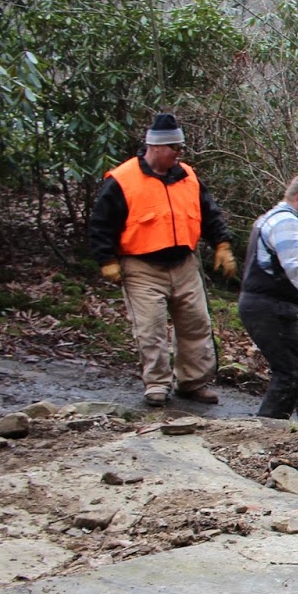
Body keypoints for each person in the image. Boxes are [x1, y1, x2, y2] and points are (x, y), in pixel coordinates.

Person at [88, 112, 235, 408]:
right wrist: (107, 260)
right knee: (151, 328)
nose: (179, 154)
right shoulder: (123, 180)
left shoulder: (188, 176)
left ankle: (193, 382)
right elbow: (101, 224)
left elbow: (209, 213)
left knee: (196, 324)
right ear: (155, 146)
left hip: (184, 264)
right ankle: (156, 383)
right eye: (174, 148)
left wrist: (222, 244)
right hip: (141, 267)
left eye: (181, 148)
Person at [238, 174, 298, 420]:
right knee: (291, 372)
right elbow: (295, 267)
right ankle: (267, 429)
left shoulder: (268, 218)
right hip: (272, 308)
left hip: (265, 305)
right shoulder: (287, 223)